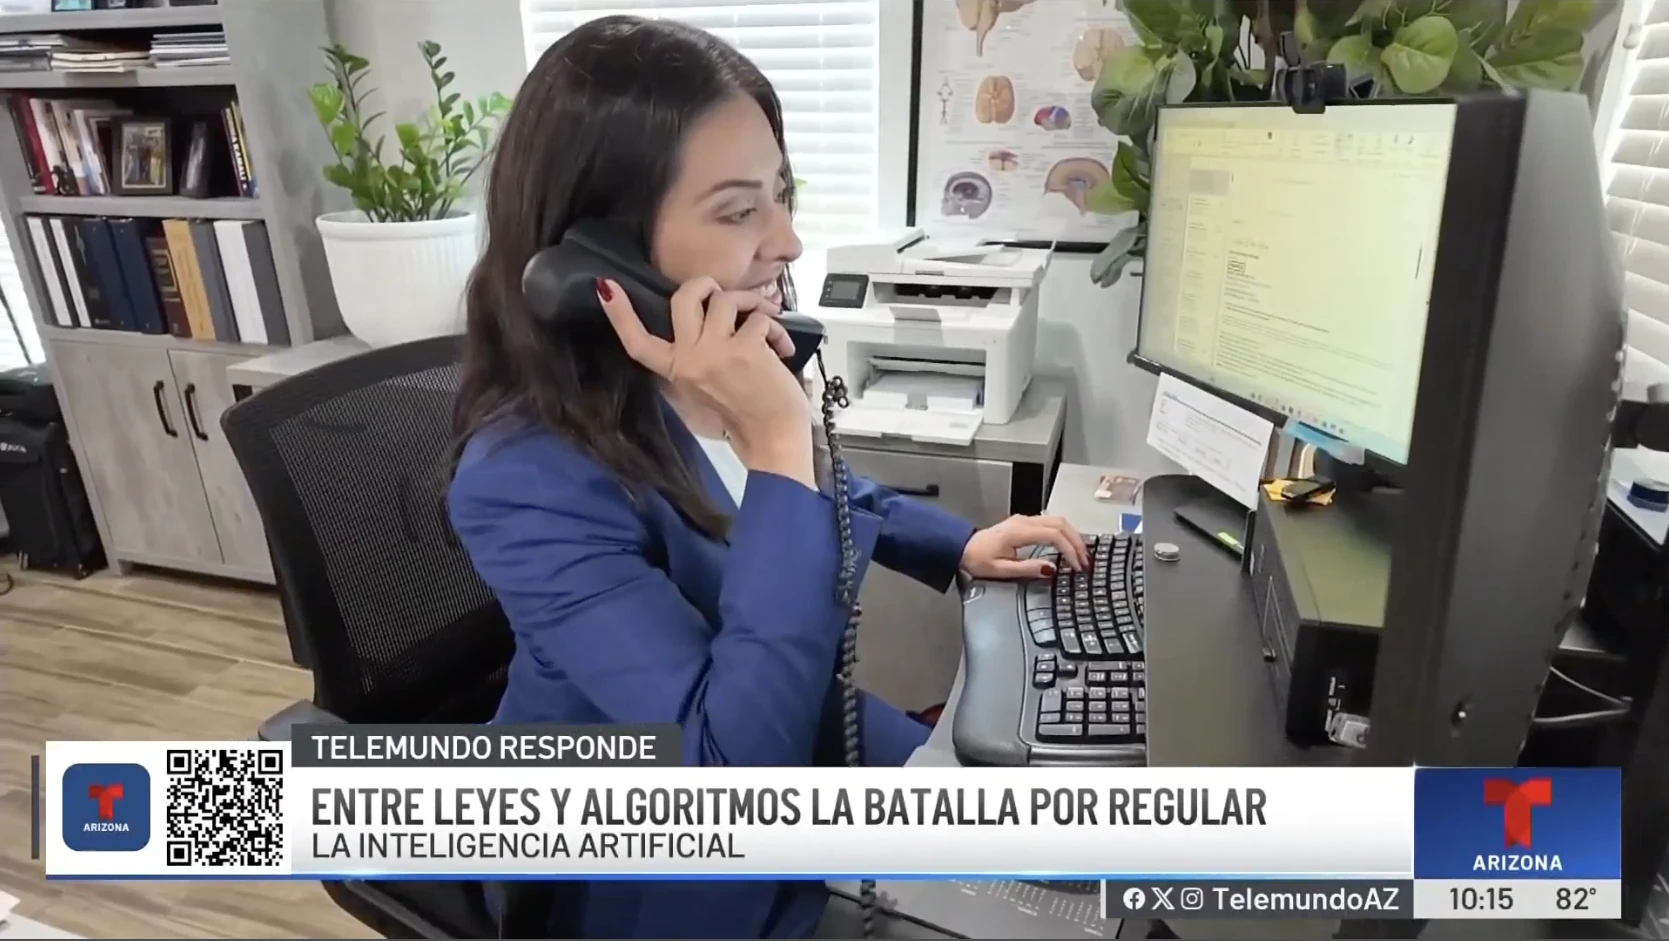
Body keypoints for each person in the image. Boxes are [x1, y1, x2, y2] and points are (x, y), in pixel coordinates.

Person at [447, 15, 1089, 940]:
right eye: (738, 211)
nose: (787, 241)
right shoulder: (523, 479)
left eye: (781, 195)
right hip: (644, 866)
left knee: (1063, 860)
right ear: (599, 258)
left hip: (789, 727)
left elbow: (800, 501)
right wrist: (780, 437)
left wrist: (959, 544)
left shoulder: (685, 377)